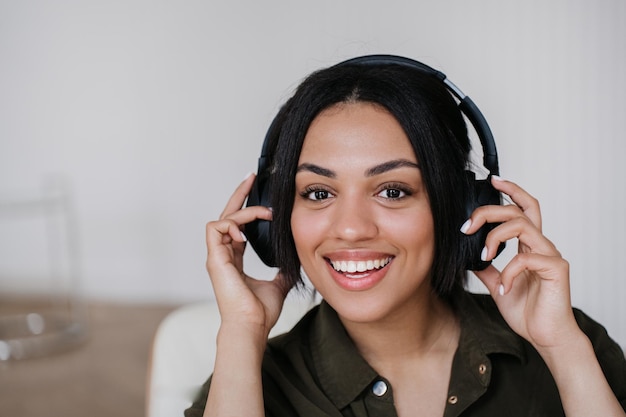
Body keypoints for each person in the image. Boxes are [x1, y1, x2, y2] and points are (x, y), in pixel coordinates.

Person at [186, 56, 626, 417]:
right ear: (272, 220)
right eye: (319, 193)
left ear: (462, 208)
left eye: (393, 191)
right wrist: (241, 333)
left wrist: (562, 349)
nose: (352, 228)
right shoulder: (245, 384)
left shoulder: (572, 345)